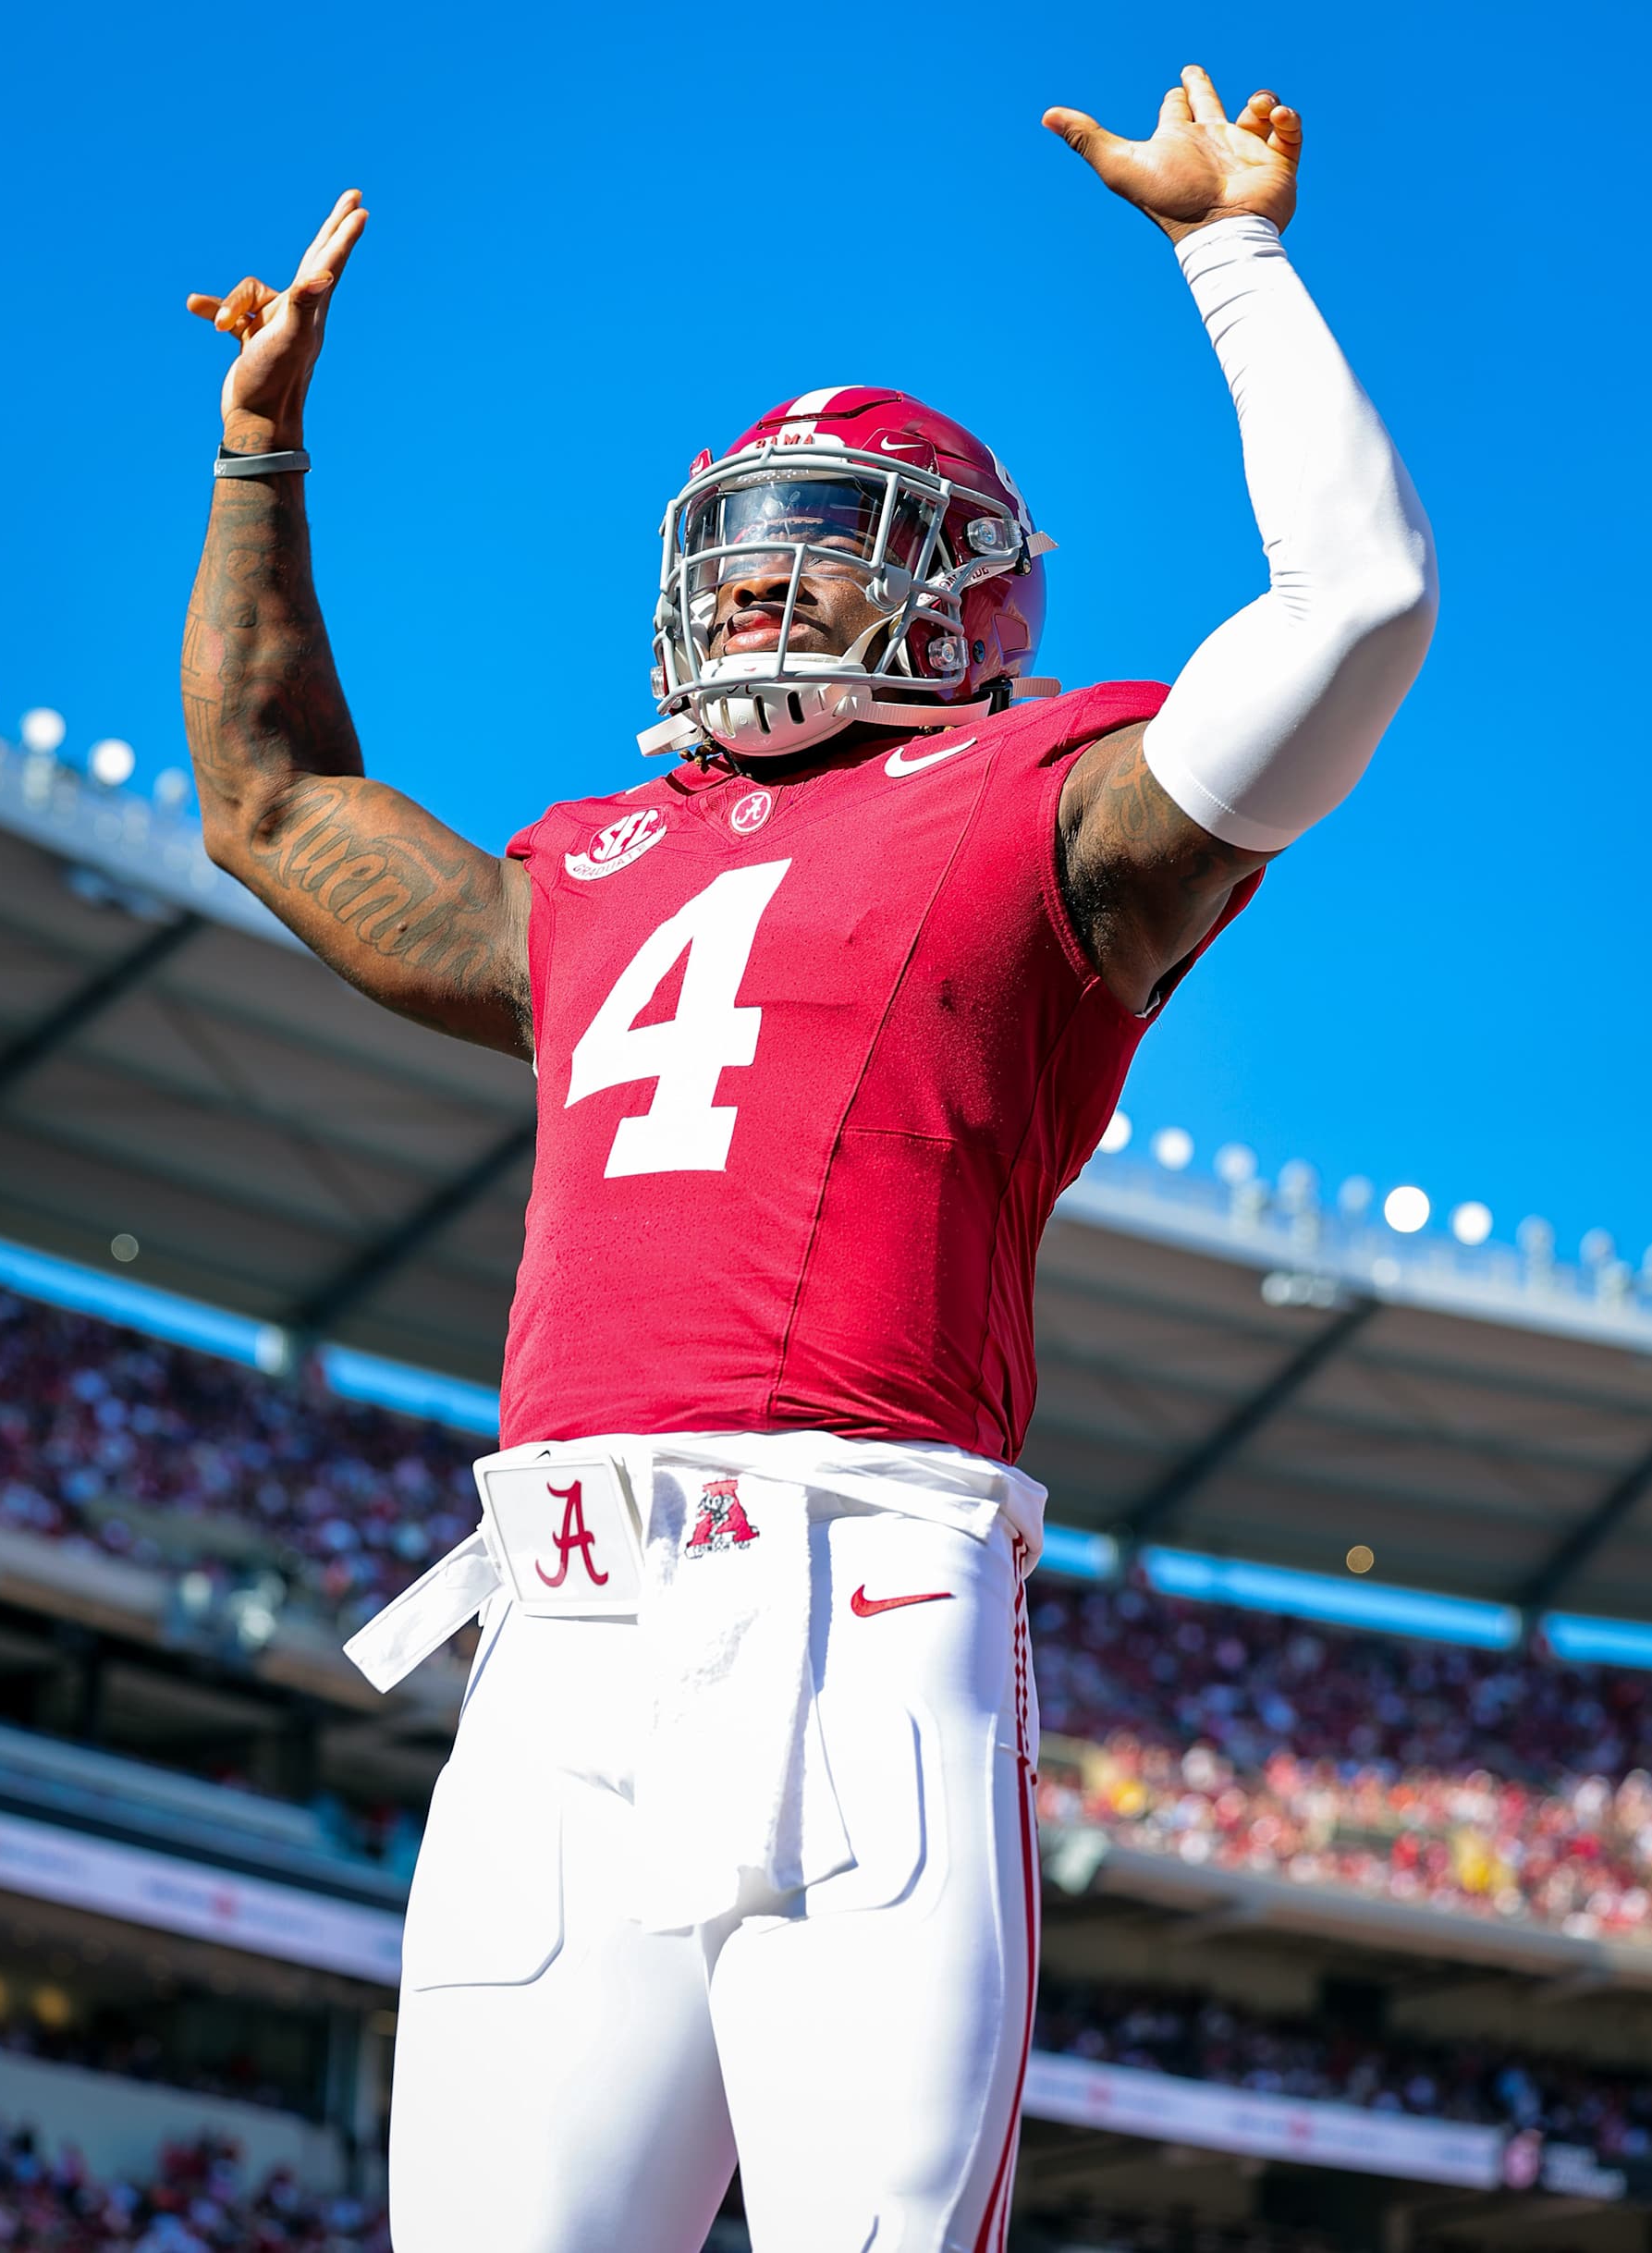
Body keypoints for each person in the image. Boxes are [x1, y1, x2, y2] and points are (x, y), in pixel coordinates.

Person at [181, 65, 1435, 2253]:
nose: (763, 584)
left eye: (826, 542)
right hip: (562, 1618)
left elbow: (1354, 607)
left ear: (961, 593)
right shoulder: (584, 869)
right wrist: (258, 457)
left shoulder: (1055, 809)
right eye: (742, 544)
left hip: (864, 1605)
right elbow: (269, 803)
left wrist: (1228, 251)